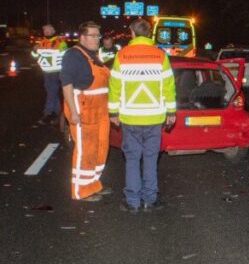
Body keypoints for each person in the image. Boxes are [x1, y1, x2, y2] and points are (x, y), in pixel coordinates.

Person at [108, 19, 176, 213]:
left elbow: (115, 88)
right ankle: (150, 200)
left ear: (132, 32)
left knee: (132, 160)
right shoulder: (160, 56)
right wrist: (171, 113)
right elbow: (168, 88)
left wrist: (113, 112)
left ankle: (132, 202)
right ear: (150, 33)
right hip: (154, 119)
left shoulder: (122, 56)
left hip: (130, 119)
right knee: (150, 159)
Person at [60, 21, 112, 201]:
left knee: (100, 147)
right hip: (84, 108)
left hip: (100, 109)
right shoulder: (73, 55)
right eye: (93, 36)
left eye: (98, 35)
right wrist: (73, 113)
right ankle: (81, 190)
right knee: (86, 150)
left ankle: (93, 183)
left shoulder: (94, 55)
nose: (97, 39)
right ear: (82, 37)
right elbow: (66, 85)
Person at [31, 23, 68, 125]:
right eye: (44, 30)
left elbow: (65, 56)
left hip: (56, 72)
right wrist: (34, 50)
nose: (46, 32)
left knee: (51, 92)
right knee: (52, 92)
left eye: (48, 30)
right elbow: (35, 56)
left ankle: (47, 113)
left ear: (53, 31)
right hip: (46, 72)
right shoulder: (42, 42)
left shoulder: (60, 42)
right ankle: (58, 113)